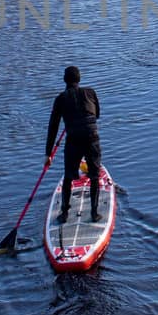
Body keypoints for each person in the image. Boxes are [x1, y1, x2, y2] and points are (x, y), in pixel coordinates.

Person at [47, 65, 102, 222]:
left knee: (69, 176)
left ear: (65, 80)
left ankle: (64, 213)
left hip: (74, 139)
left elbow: (53, 127)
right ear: (79, 79)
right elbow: (96, 114)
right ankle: (94, 213)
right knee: (94, 176)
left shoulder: (60, 99)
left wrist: (48, 154)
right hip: (92, 136)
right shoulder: (91, 92)